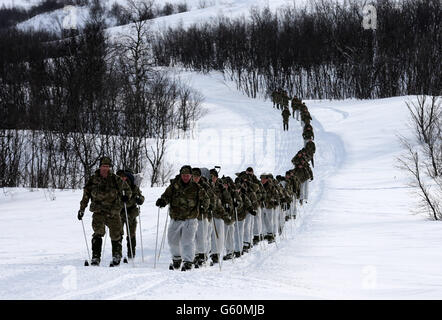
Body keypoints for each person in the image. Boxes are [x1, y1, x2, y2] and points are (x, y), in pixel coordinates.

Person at [78, 156, 132, 267]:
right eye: (103, 166)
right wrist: (82, 209)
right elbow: (86, 195)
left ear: (109, 167)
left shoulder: (115, 179)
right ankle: (96, 257)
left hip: (113, 211)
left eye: (107, 166)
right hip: (98, 211)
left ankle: (116, 256)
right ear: (100, 167)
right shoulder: (93, 180)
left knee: (116, 234)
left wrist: (126, 197)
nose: (105, 168)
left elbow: (127, 189)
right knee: (98, 233)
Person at [155, 165, 210, 271]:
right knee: (172, 240)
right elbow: (166, 196)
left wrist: (204, 206)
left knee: (187, 241)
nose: (185, 177)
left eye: (187, 175)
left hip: (190, 219)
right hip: (176, 218)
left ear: (191, 176)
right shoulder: (174, 186)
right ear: (181, 175)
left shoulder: (196, 187)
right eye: (183, 175)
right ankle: (176, 259)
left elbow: (206, 199)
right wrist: (162, 201)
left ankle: (188, 261)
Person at [116, 169, 144, 260]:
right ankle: (117, 254)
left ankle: (131, 254)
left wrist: (139, 199)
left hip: (131, 213)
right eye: (122, 177)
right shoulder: (118, 186)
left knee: (131, 234)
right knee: (118, 234)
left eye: (125, 177)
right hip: (119, 212)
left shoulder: (134, 187)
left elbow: (141, 197)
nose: (124, 179)